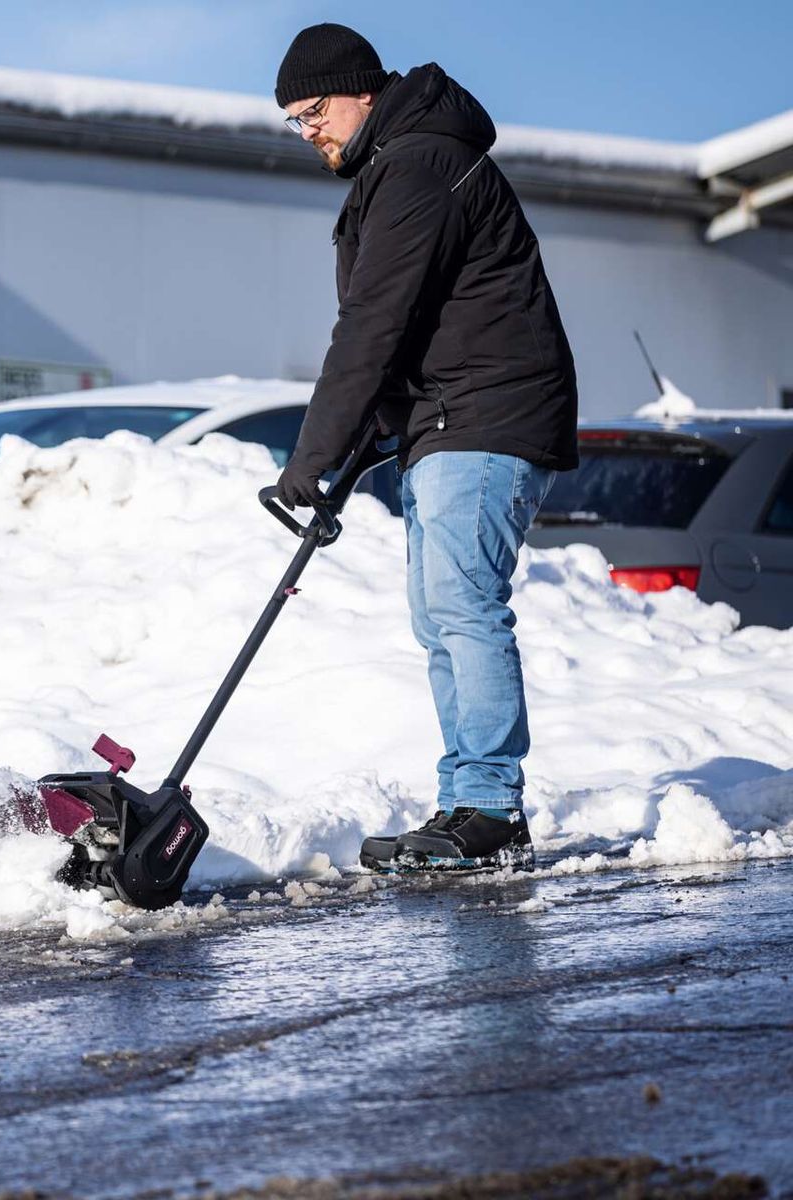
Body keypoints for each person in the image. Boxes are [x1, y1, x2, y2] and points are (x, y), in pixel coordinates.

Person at [272, 24, 578, 871]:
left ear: (361, 90)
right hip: (451, 417)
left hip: (484, 415)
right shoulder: (399, 164)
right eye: (294, 122)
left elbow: (373, 323)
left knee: (462, 607)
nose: (310, 133)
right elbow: (407, 330)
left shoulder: (418, 165)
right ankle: (468, 802)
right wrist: (366, 435)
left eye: (314, 111)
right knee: (439, 614)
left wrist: (312, 455)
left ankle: (488, 807)